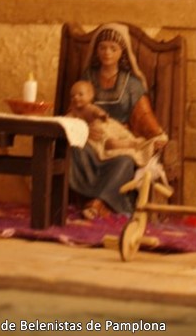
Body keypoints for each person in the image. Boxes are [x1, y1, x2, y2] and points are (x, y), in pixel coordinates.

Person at [69, 23, 168, 220]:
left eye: (113, 48)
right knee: (75, 151)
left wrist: (156, 135)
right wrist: (84, 129)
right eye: (102, 47)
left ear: (122, 52)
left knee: (124, 162)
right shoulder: (87, 78)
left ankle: (99, 203)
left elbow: (143, 115)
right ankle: (86, 198)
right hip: (92, 138)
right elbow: (75, 109)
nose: (107, 53)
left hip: (119, 140)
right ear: (96, 50)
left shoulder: (132, 84)